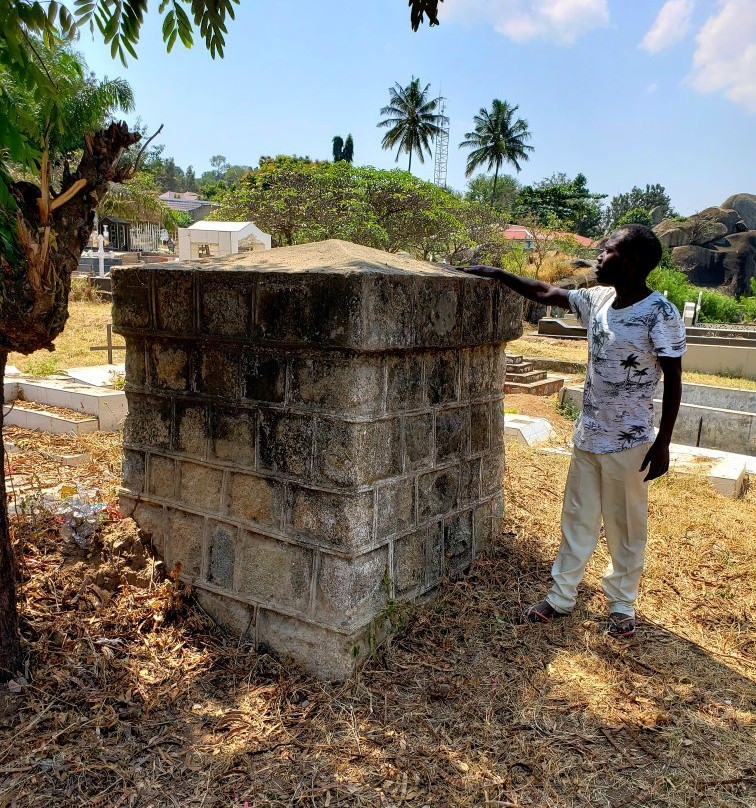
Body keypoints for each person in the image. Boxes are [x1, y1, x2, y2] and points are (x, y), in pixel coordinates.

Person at [456, 225, 686, 639]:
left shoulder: (660, 313)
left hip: (630, 443)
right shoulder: (598, 299)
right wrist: (497, 274)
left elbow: (674, 380)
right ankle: (561, 597)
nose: (599, 256)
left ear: (632, 261)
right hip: (588, 436)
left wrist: (663, 442)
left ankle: (621, 604)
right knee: (577, 519)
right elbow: (546, 292)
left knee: (625, 527)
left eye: (608, 250)